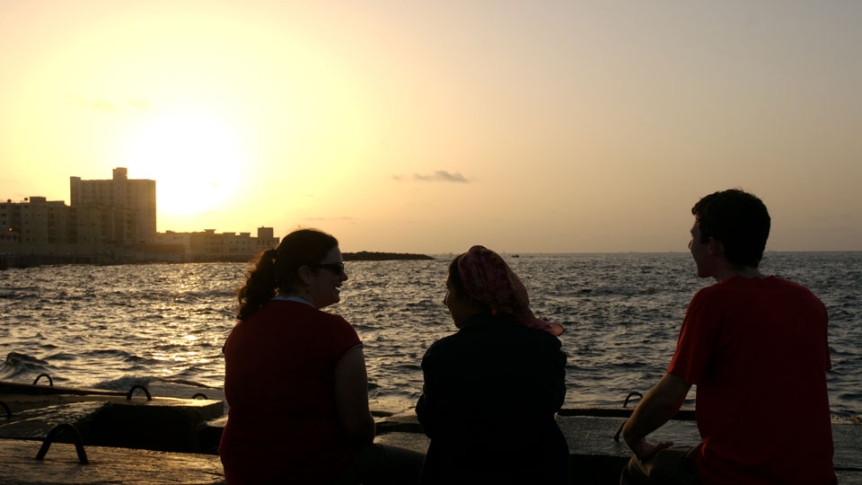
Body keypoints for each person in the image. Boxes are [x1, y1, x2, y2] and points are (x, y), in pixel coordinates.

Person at [620, 189, 836, 485]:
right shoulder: (809, 301)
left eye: (694, 237)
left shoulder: (712, 302)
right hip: (816, 476)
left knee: (636, 470)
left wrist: (632, 436)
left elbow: (670, 395)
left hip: (737, 477)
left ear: (713, 246)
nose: (689, 245)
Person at [218, 228, 424, 485]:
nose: (345, 276)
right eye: (336, 269)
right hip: (314, 470)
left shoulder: (242, 328)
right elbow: (359, 429)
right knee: (429, 469)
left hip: (243, 470)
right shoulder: (335, 331)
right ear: (305, 274)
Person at [416, 245, 570, 484]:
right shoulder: (546, 347)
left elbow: (433, 423)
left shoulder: (444, 355)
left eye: (449, 291)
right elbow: (551, 403)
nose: (445, 301)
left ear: (469, 297)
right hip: (542, 471)